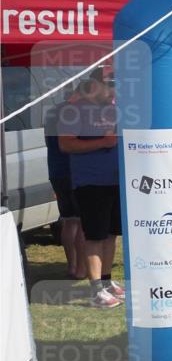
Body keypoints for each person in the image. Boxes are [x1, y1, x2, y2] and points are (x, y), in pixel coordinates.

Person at [58, 77, 123, 308]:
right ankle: (96, 290)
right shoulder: (73, 111)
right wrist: (103, 143)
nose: (113, 89)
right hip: (91, 182)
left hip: (116, 180)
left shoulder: (114, 109)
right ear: (93, 86)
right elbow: (66, 144)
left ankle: (105, 282)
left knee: (111, 234)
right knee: (94, 235)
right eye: (109, 84)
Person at [44, 88, 85, 280]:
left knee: (68, 220)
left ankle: (72, 265)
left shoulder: (52, 111)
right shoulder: (73, 112)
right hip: (73, 170)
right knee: (81, 221)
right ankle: (82, 268)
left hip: (56, 170)